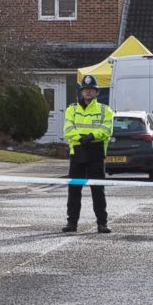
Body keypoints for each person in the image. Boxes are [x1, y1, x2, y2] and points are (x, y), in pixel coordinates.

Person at [62, 74, 114, 233]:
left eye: (91, 90)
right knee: (74, 191)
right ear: (81, 92)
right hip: (77, 153)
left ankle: (102, 223)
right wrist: (81, 138)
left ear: (96, 92)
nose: (88, 92)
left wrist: (91, 136)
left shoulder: (105, 110)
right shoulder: (72, 109)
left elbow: (107, 130)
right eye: (86, 90)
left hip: (95, 153)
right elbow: (68, 130)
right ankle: (72, 223)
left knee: (98, 190)